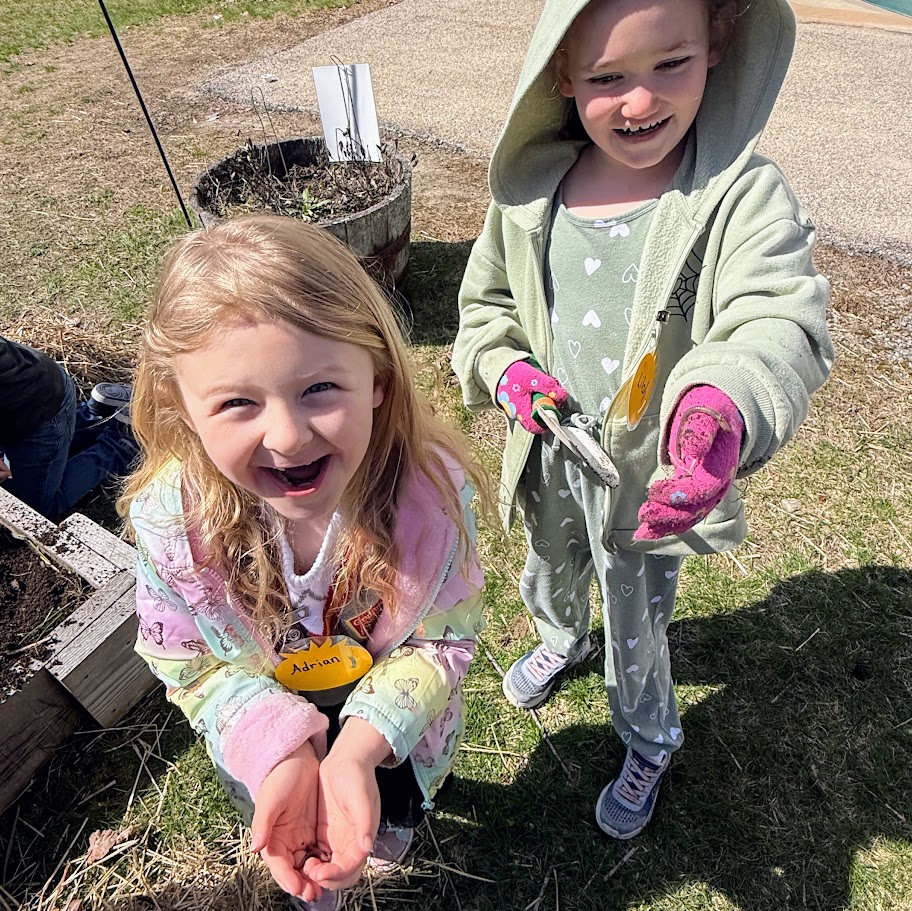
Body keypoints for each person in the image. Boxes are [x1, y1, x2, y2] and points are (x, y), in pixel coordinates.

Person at [452, 0, 833, 840]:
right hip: (550, 456)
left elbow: (776, 317)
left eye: (671, 65)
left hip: (647, 483)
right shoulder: (530, 193)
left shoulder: (738, 195)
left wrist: (718, 407)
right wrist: (508, 369)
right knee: (548, 567)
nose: (639, 101)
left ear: (718, 43)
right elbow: (485, 309)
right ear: (560, 74)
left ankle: (648, 734)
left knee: (638, 621)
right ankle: (560, 636)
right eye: (607, 77)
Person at [120, 215, 488, 909]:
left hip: (396, 738)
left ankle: (384, 835)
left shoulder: (430, 500)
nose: (287, 436)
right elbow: (188, 660)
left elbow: (444, 636)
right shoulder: (174, 523)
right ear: (183, 407)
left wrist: (358, 749)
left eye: (319, 387)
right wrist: (283, 753)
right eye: (236, 402)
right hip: (267, 743)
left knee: (386, 821)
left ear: (377, 376)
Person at [0, 335, 137, 521]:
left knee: (30, 513)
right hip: (32, 377)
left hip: (39, 406)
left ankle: (120, 443)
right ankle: (97, 416)